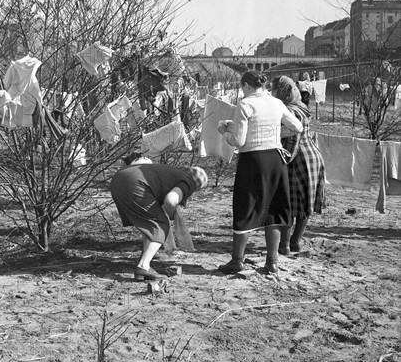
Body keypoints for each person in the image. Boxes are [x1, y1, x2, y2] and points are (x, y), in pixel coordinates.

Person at [217, 70, 303, 274]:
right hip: (275, 159)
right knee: (272, 209)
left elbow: (239, 141)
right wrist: (273, 131)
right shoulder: (276, 102)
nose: (241, 92)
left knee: (245, 208)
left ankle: (237, 260)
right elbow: (297, 127)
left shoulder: (245, 104)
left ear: (246, 86)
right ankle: (272, 261)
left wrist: (224, 132)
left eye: (241, 88)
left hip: (253, 161)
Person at [110, 160, 208, 280]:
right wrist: (168, 214)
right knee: (161, 224)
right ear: (198, 185)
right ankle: (143, 266)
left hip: (118, 179)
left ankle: (145, 257)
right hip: (135, 183)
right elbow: (171, 200)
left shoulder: (171, 172)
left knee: (149, 223)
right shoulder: (189, 180)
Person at [271, 76, 325, 255]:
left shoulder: (289, 112)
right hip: (312, 158)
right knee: (304, 205)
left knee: (288, 205)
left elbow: (291, 143)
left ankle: (285, 245)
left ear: (282, 93)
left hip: (298, 160)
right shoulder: (302, 107)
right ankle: (296, 242)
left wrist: (280, 163)